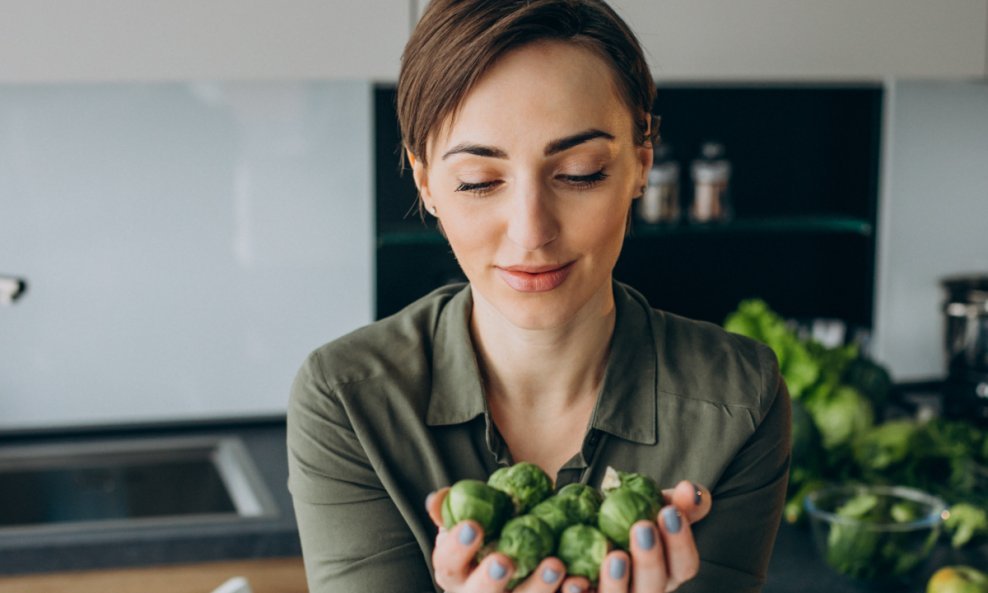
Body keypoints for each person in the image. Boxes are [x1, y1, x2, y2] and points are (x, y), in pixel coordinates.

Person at [286, 0, 791, 591]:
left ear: (640, 166)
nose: (531, 231)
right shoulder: (348, 399)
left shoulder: (738, 399)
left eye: (579, 173)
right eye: (479, 182)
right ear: (427, 185)